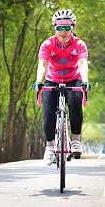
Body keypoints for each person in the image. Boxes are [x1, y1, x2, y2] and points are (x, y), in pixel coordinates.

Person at [33, 9, 91, 165]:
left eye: (67, 28)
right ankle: (50, 147)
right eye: (59, 28)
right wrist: (39, 81)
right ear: (54, 28)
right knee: (48, 113)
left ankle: (76, 140)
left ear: (73, 27)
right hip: (52, 80)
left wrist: (84, 81)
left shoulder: (79, 44)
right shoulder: (47, 44)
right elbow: (43, 65)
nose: (63, 32)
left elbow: (82, 63)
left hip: (73, 79)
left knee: (75, 103)